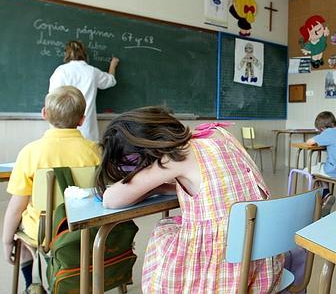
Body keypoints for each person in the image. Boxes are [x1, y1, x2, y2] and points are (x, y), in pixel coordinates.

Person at [96, 107, 282, 293]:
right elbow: (209, 188)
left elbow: (111, 200)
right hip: (260, 255)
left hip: (225, 268)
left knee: (163, 231)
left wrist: (149, 188)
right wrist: (158, 186)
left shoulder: (177, 156)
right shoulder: (217, 134)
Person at [2, 86, 100, 288]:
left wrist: (6, 241)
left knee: (21, 229)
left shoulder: (30, 152)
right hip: (86, 226)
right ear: (82, 119)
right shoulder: (95, 151)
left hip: (45, 231)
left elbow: (16, 207)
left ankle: (32, 284)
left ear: (44, 113)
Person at [49, 40, 120, 142]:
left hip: (63, 128)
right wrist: (113, 65)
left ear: (67, 53)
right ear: (83, 53)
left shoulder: (61, 71)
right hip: (87, 128)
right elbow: (110, 81)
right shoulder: (91, 71)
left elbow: (52, 97)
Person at [305, 111, 336, 179]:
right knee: (321, 166)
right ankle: (325, 189)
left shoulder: (329, 132)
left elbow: (309, 142)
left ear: (322, 129)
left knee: (307, 170)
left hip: (334, 172)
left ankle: (323, 189)